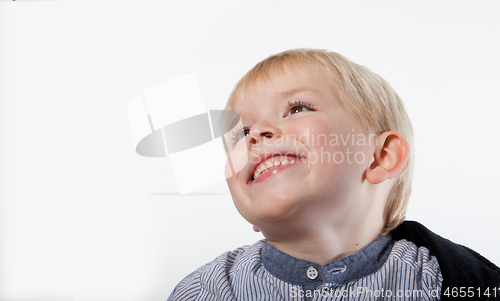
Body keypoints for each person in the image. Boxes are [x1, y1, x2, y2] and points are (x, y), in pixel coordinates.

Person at [168, 49, 500, 300]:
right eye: (241, 134)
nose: (257, 134)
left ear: (381, 157)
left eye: (297, 108)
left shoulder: (446, 281)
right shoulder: (206, 291)